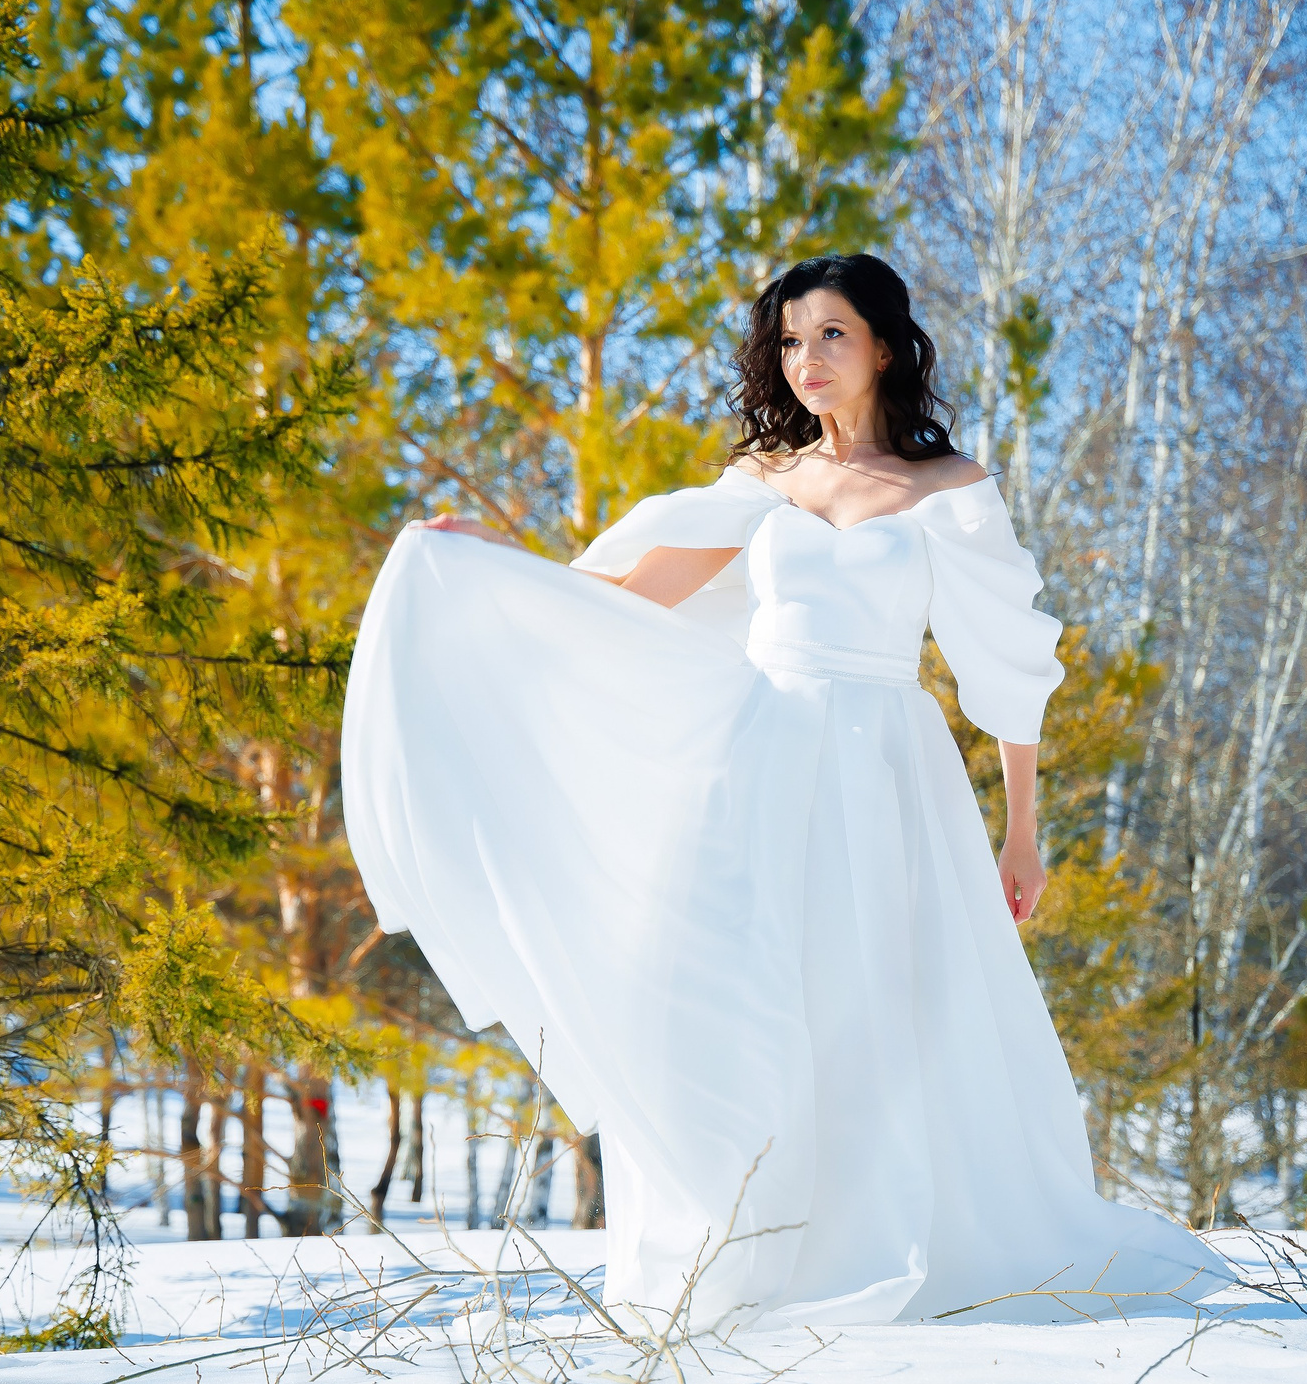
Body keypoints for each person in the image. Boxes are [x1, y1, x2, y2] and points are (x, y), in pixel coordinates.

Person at [341, 254, 1228, 1329]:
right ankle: (748, 1241)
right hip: (760, 762)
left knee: (887, 1001)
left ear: (886, 347)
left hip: (889, 769)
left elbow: (1006, 668)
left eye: (833, 336)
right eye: (793, 340)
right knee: (737, 992)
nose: (807, 360)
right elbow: (619, 601)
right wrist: (486, 566)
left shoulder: (946, 492)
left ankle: (898, 1238)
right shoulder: (761, 486)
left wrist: (1022, 833)